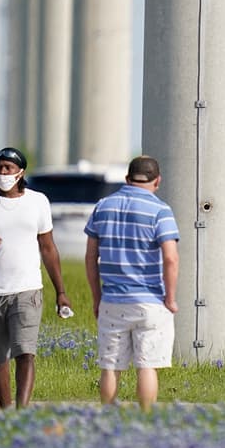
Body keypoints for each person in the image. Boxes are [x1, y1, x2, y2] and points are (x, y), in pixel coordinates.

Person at [0, 147, 71, 410]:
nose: (2, 172)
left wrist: (60, 291)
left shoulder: (38, 201)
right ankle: (6, 412)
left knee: (25, 352)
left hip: (27, 289)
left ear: (20, 173)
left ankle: (21, 411)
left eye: (8, 168)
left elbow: (48, 248)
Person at [84, 156, 180, 411]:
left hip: (112, 300)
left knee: (110, 366)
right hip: (150, 301)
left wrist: (97, 298)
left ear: (127, 178)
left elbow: (91, 257)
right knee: (147, 365)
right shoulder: (160, 211)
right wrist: (170, 298)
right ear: (157, 181)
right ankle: (145, 416)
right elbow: (170, 258)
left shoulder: (103, 206)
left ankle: (107, 414)